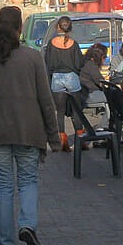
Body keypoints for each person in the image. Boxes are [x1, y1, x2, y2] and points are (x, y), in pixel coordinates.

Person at [0, 6, 62, 245]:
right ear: (20, 28)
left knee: (2, 188)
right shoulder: (33, 58)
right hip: (29, 133)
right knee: (28, 181)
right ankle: (27, 225)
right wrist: (54, 138)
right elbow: (46, 100)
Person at [43, 15, 85, 151]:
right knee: (77, 111)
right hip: (72, 77)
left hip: (57, 78)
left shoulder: (51, 43)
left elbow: (48, 64)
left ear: (57, 27)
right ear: (70, 28)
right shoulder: (74, 44)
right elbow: (79, 64)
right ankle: (81, 139)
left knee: (60, 111)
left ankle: (62, 141)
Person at [78, 42, 107, 107]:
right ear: (100, 57)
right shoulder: (91, 65)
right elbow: (100, 81)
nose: (105, 59)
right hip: (90, 95)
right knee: (116, 97)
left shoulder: (86, 63)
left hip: (85, 94)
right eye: (104, 56)